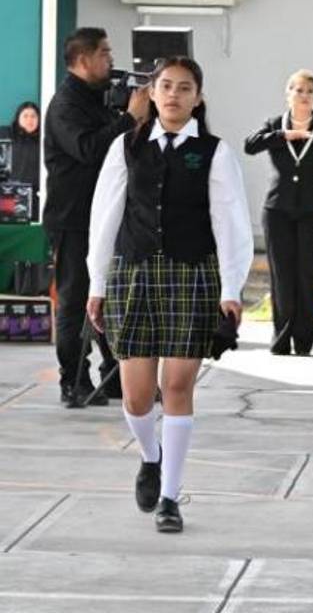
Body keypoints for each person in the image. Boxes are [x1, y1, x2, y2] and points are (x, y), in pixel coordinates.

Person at [86, 57, 254, 533]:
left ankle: (170, 498)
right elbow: (105, 217)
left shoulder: (214, 152)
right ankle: (150, 455)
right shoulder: (126, 146)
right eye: (166, 86)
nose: (174, 95)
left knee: (177, 388)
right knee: (137, 398)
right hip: (134, 275)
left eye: (184, 88)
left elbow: (231, 222)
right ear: (152, 93)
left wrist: (231, 288)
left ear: (197, 98)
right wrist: (97, 282)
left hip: (192, 276)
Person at [43, 27, 150, 407]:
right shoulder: (65, 105)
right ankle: (72, 380)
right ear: (83, 59)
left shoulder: (97, 99)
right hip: (73, 218)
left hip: (106, 215)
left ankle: (115, 375)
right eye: (104, 53)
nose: (111, 59)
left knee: (111, 296)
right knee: (75, 300)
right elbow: (89, 149)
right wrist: (129, 118)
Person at [244, 69, 313, 356]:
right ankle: (281, 338)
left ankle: (304, 340)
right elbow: (250, 145)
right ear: (289, 93)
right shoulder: (274, 124)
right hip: (278, 209)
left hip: (312, 210)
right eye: (298, 90)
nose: (304, 96)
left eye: (310, 91)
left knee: (307, 275)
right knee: (282, 276)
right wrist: (283, 135)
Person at [6, 102, 41, 220]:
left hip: (37, 197)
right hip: (9, 195)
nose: (29, 120)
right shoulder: (7, 137)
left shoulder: (46, 140)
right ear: (18, 118)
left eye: (33, 116)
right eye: (25, 116)